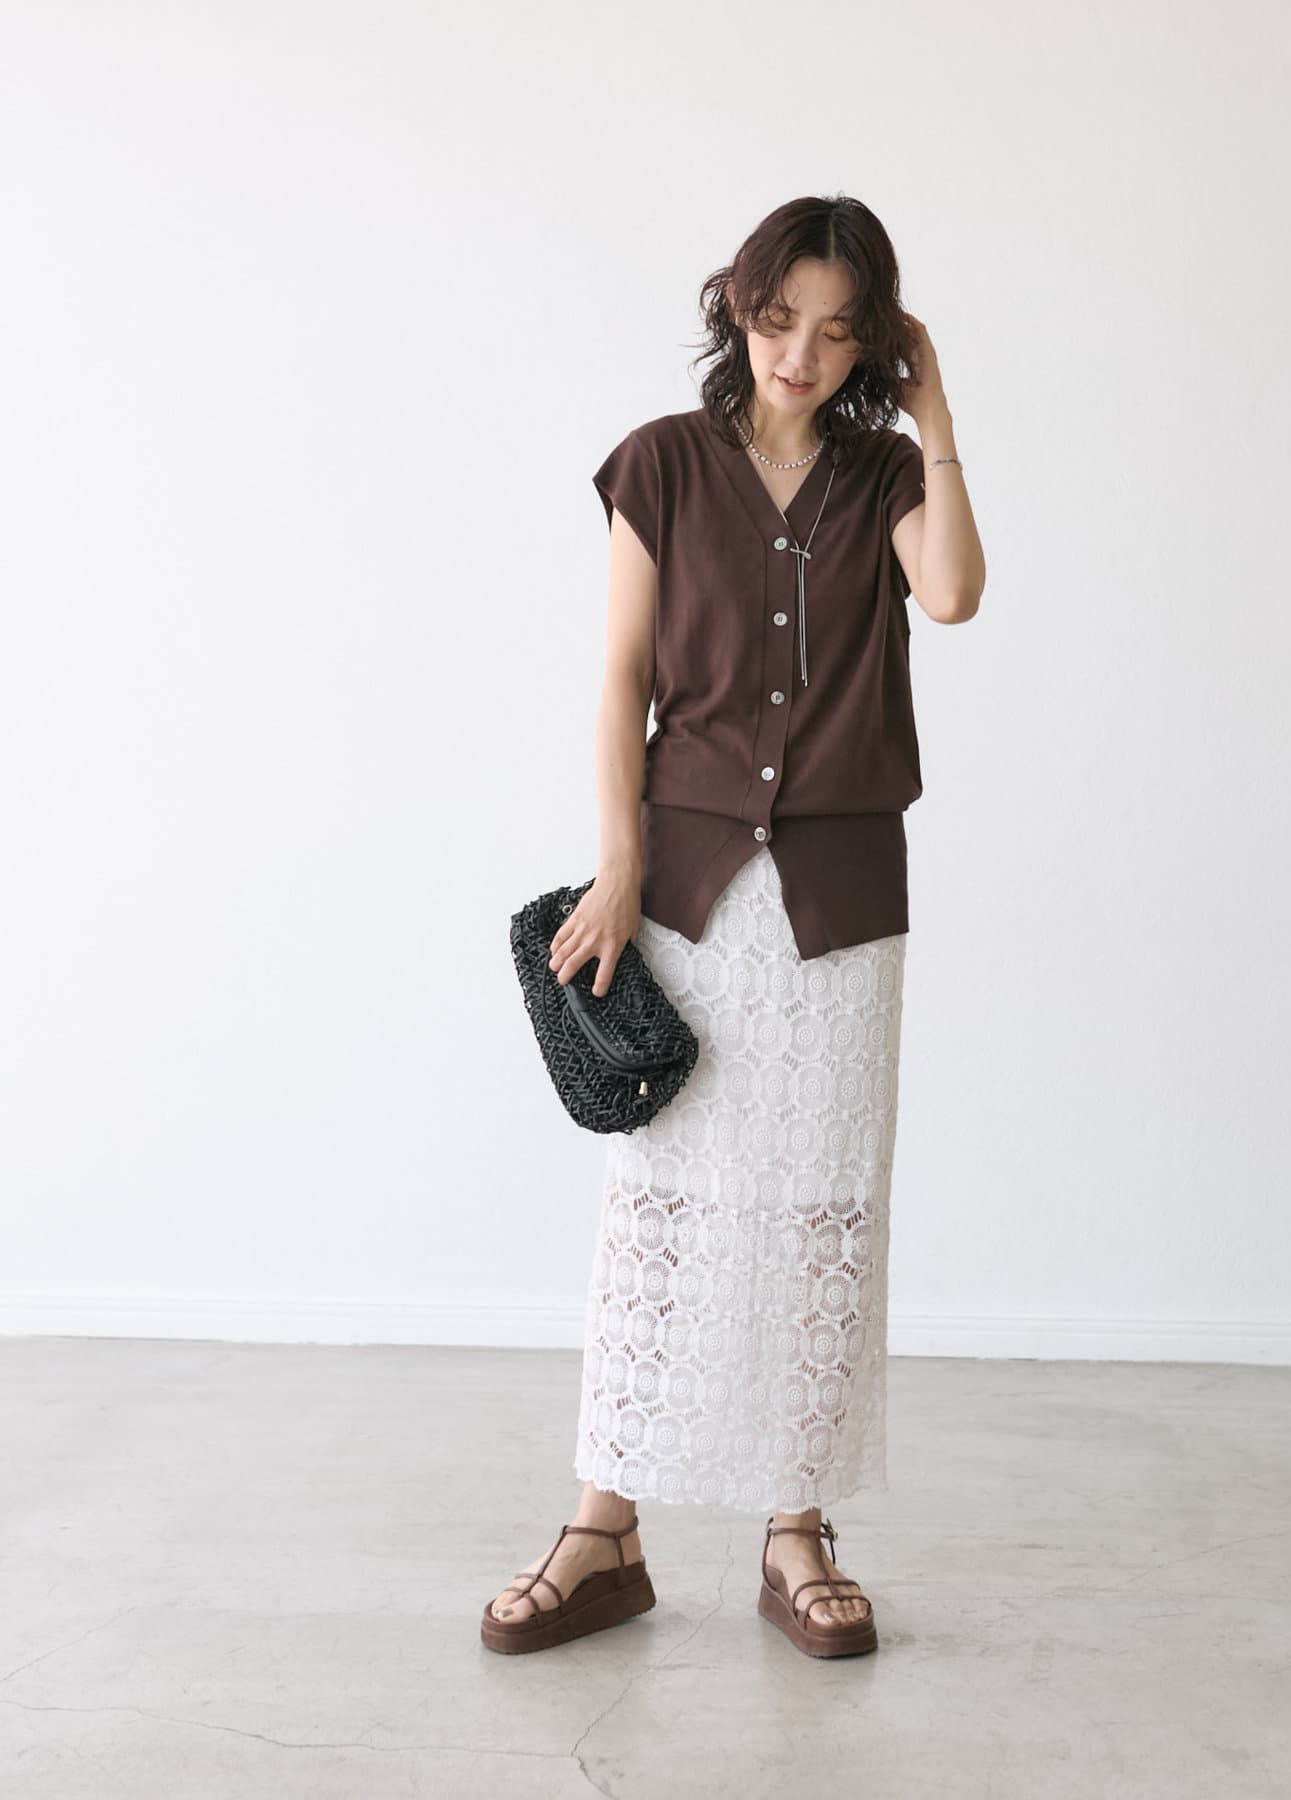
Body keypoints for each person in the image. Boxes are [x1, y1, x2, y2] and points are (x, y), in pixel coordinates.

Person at [482, 193, 985, 1660]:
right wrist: (618, 867)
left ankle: (795, 1528)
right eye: (778, 319)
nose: (800, 353)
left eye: (837, 331)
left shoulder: (884, 477)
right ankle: (605, 1530)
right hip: (691, 892)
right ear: (738, 310)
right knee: (662, 1212)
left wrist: (938, 410)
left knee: (822, 1210)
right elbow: (621, 678)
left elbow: (954, 592)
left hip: (839, 903)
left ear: (872, 344)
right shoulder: (662, 464)